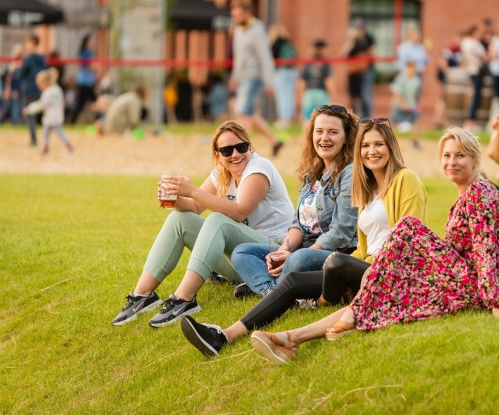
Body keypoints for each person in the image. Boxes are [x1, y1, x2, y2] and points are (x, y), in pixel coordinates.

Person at [249, 126, 499, 365]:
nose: (452, 162)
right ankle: (290, 338)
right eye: (447, 156)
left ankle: (317, 327)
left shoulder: (480, 193)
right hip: (454, 276)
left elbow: (487, 250)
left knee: (406, 230)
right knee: (379, 292)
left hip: (468, 282)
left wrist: (494, 304)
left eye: (460, 156)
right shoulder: (466, 195)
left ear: (475, 159)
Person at [180, 117, 428, 357]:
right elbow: (305, 225)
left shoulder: (404, 179)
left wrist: (321, 260)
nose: (371, 151)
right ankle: (223, 336)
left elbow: (406, 238)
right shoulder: (366, 187)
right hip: (358, 266)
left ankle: (285, 296)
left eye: (378, 145)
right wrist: (287, 248)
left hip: (386, 268)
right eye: (365, 146)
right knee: (279, 271)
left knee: (324, 263)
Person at [111, 121, 294, 327]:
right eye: (226, 150)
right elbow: (195, 207)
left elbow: (239, 211)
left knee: (218, 221)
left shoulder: (259, 168)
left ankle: (184, 299)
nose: (235, 154)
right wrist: (175, 198)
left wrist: (192, 190)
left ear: (250, 147)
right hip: (241, 260)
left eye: (241, 147)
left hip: (270, 256)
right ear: (217, 154)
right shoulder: (222, 172)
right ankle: (142, 295)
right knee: (178, 219)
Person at [231, 104, 359, 297]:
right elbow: (297, 224)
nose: (324, 138)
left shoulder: (349, 173)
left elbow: (341, 231)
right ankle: (275, 291)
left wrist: (294, 256)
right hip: (300, 249)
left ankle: (273, 290)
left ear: (346, 137)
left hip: (332, 253)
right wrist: (283, 250)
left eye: (333, 132)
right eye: (319, 132)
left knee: (300, 258)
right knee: (241, 252)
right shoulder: (312, 175)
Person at [229, 3, 283, 156]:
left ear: (247, 13)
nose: (235, 18)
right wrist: (235, 76)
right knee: (250, 114)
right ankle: (275, 140)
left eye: (238, 15)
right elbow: (238, 57)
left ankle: (243, 148)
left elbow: (265, 57)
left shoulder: (257, 29)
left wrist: (269, 82)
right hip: (243, 77)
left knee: (242, 112)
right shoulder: (239, 30)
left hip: (254, 77)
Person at [23, 68, 74, 155]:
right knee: (47, 132)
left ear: (45, 83)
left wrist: (30, 109)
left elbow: (41, 104)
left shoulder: (49, 92)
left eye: (40, 85)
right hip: (56, 116)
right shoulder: (57, 89)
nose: (40, 87)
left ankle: (68, 145)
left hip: (52, 117)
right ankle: (46, 147)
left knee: (57, 132)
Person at [18, 34, 47, 146]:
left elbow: (22, 74)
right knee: (42, 114)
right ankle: (44, 138)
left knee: (29, 114)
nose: (27, 45)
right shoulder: (43, 58)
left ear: (32, 43)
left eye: (28, 43)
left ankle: (34, 139)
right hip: (40, 89)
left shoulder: (28, 59)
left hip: (29, 89)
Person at [269, 23, 298, 129]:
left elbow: (271, 59)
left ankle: (284, 119)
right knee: (290, 96)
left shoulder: (276, 44)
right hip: (292, 72)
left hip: (281, 72)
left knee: (282, 96)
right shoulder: (288, 43)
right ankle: (289, 118)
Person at [299, 39, 335, 121]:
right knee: (323, 117)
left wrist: (300, 96)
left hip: (309, 93)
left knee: (307, 118)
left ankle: (306, 133)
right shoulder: (325, 63)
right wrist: (334, 95)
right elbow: (328, 81)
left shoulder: (307, 63)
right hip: (321, 93)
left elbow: (302, 82)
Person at [460, 24, 487, 130]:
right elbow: (484, 56)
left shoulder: (464, 42)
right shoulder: (474, 43)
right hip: (476, 71)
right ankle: (471, 121)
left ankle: (470, 121)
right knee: (476, 97)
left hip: (469, 71)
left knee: (472, 96)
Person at [390, 61, 422, 149]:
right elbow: (397, 92)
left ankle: (415, 141)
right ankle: (391, 142)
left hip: (411, 104)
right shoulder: (401, 78)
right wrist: (402, 103)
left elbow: (416, 94)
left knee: (417, 121)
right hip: (399, 105)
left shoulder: (417, 80)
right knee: (393, 123)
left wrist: (415, 105)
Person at [70, 34, 97, 124]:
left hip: (87, 81)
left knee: (90, 102)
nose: (92, 43)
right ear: (86, 42)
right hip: (85, 81)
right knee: (85, 103)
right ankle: (72, 121)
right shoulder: (85, 52)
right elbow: (88, 65)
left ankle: (98, 120)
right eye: (90, 41)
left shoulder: (87, 52)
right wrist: (95, 68)